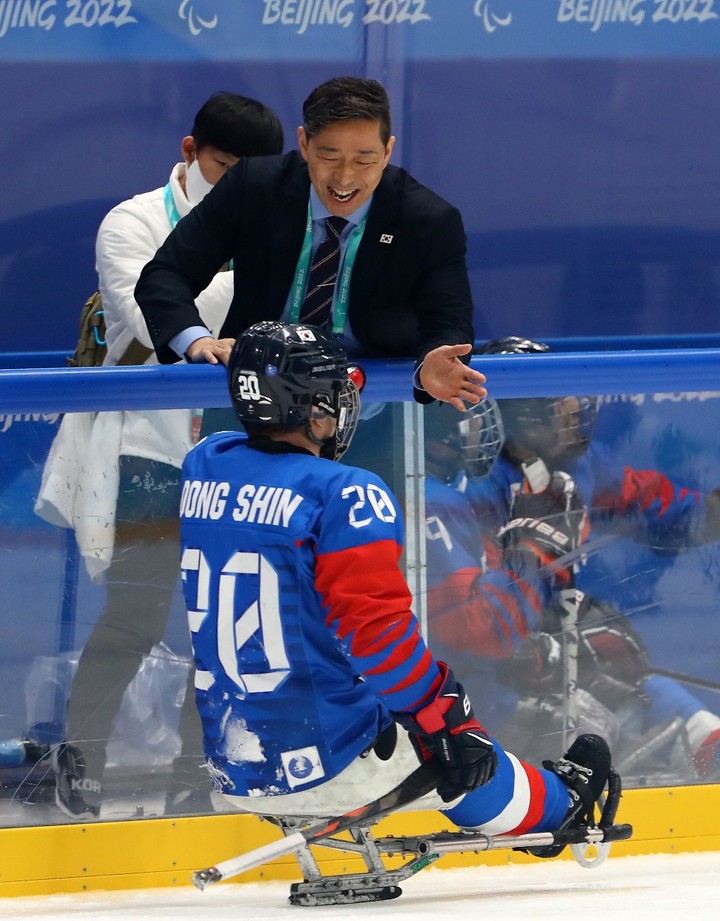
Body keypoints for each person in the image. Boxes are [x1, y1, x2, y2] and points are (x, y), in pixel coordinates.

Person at [177, 319, 617, 861]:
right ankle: (562, 807)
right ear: (312, 407)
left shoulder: (205, 464)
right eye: (334, 392)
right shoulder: (346, 494)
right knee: (456, 748)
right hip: (327, 756)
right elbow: (376, 637)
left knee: (407, 711)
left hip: (233, 756)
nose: (343, 404)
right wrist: (445, 713)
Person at [36, 92, 285, 819]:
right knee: (136, 614)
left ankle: (199, 766)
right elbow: (153, 312)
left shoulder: (275, 222)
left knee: (227, 620)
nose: (236, 185)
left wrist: (205, 296)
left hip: (241, 444)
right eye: (224, 167)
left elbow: (285, 318)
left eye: (252, 174)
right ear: (188, 150)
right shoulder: (133, 221)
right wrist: (235, 300)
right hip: (152, 447)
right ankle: (80, 756)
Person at [428, 337, 720, 778]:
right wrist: (536, 651)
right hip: (483, 687)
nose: (573, 412)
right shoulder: (466, 492)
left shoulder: (583, 465)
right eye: (555, 405)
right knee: (602, 732)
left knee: (652, 697)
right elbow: (471, 633)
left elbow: (674, 512)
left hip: (545, 659)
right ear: (514, 417)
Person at [134, 76, 487, 412]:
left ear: (387, 150)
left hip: (369, 407)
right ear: (303, 144)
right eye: (329, 156)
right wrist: (196, 340)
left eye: (364, 159)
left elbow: (448, 322)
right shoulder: (253, 188)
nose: (345, 177)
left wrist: (432, 362)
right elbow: (166, 274)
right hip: (252, 397)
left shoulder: (427, 220)